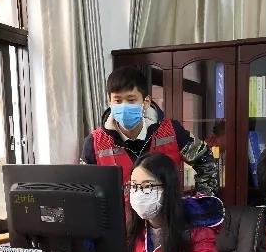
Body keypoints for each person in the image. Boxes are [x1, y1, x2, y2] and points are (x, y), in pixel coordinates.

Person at [72, 152, 223, 252]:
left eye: (147, 186)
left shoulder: (197, 229)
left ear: (167, 189)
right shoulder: (131, 228)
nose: (138, 193)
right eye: (133, 186)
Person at [81, 66, 218, 196]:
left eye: (131, 100)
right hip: (118, 213)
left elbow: (205, 159)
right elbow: (84, 187)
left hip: (167, 212)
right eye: (117, 100)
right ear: (109, 102)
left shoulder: (172, 131)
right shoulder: (94, 143)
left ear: (145, 101)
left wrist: (203, 200)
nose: (124, 106)